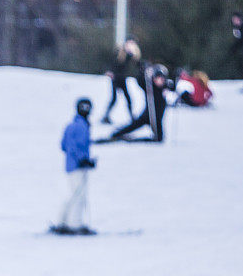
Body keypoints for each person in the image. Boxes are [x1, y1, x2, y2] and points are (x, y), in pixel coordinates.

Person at [50, 97, 97, 236]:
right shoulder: (80, 126)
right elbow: (70, 146)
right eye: (83, 107)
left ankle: (62, 221)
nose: (86, 110)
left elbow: (64, 145)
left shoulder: (75, 125)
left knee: (73, 193)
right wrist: (82, 159)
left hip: (73, 165)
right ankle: (75, 224)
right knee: (78, 195)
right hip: (77, 166)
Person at [97, 64, 172, 143]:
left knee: (159, 138)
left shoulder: (166, 87)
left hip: (157, 119)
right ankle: (116, 134)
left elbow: (175, 92)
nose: (159, 81)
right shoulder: (150, 87)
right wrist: (143, 71)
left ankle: (148, 138)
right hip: (147, 115)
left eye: (162, 79)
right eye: (157, 78)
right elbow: (140, 80)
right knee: (132, 126)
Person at [101, 38, 142, 124]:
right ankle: (106, 116)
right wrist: (109, 71)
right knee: (114, 98)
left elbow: (139, 65)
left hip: (122, 79)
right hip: (116, 78)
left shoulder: (132, 54)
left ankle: (132, 118)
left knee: (128, 98)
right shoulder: (119, 52)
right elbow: (112, 63)